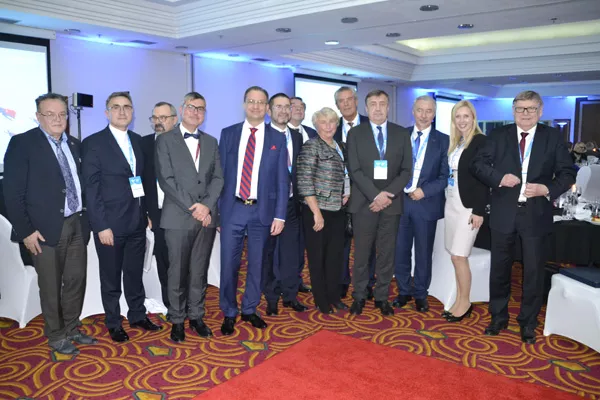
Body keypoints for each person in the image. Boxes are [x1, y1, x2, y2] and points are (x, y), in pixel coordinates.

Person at [471, 90, 575, 343]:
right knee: (499, 269)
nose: (525, 113)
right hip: (503, 211)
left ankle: (528, 322)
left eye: (531, 109)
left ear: (540, 111)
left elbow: (567, 173)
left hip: (535, 213)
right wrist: (499, 178)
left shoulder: (552, 137)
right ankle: (498, 317)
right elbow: (478, 165)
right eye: (520, 108)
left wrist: (546, 189)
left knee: (534, 272)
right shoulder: (498, 135)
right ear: (513, 111)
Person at [3, 93, 95, 355]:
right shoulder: (22, 144)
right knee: (51, 285)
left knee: (76, 280)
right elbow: (12, 193)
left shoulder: (74, 144)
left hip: (76, 223)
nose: (57, 119)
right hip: (42, 230)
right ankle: (56, 335)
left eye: (62, 114)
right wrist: (26, 231)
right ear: (38, 116)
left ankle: (72, 327)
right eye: (50, 114)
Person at [82, 91, 162, 343]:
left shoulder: (137, 141)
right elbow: (91, 189)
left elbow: (142, 180)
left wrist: (146, 212)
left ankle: (137, 315)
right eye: (116, 107)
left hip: (137, 221)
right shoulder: (94, 143)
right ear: (107, 113)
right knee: (111, 277)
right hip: (110, 225)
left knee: (134, 273)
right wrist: (101, 226)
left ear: (133, 112)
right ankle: (114, 322)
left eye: (127, 106)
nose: (122, 111)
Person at [218, 86, 288, 335]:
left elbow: (282, 180)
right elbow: (219, 175)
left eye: (260, 102)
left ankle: (249, 308)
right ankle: (229, 311)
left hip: (262, 211)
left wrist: (280, 214)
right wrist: (218, 212)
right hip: (233, 209)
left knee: (257, 264)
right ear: (244, 104)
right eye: (251, 101)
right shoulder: (228, 134)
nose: (256, 106)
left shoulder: (278, 138)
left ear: (267, 108)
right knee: (229, 264)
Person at [155, 92, 223, 342]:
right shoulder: (165, 140)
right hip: (178, 217)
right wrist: (195, 207)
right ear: (182, 109)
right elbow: (166, 180)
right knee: (177, 272)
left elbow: (218, 178)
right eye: (191, 107)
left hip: (206, 218)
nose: (196, 112)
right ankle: (177, 320)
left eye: (201, 108)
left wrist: (207, 206)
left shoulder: (211, 141)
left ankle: (196, 316)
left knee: (199, 270)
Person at [346, 89, 412, 316]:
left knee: (387, 253)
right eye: (373, 104)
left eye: (382, 103)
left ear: (388, 107)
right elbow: (354, 169)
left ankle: (382, 296)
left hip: (391, 204)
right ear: (366, 108)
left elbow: (406, 170)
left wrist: (386, 195)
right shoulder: (355, 133)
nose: (377, 108)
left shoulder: (401, 133)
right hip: (364, 203)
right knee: (362, 254)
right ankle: (359, 295)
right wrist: (375, 195)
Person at [393, 95, 448, 313]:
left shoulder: (443, 141)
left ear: (434, 114)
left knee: (424, 253)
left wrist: (424, 191)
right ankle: (403, 291)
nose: (424, 115)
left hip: (426, 203)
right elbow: (392, 167)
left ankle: (420, 294)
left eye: (429, 111)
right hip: (400, 202)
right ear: (413, 111)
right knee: (400, 250)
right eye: (420, 110)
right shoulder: (400, 136)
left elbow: (444, 176)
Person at [297, 107, 348, 314]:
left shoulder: (340, 146)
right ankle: (321, 300)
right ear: (316, 125)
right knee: (317, 257)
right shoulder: (311, 146)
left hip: (337, 210)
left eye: (332, 122)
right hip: (316, 210)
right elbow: (304, 181)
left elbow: (345, 174)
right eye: (323, 122)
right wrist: (316, 213)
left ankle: (334, 296)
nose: (328, 126)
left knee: (335, 257)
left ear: (337, 124)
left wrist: (347, 192)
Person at [443, 100, 488, 322]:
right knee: (455, 256)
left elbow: (484, 179)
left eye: (466, 116)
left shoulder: (481, 142)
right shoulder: (457, 142)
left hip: (468, 207)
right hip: (452, 203)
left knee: (459, 256)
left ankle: (465, 302)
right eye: (458, 116)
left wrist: (479, 210)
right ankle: (460, 299)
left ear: (473, 118)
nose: (462, 120)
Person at [263, 93, 308, 315]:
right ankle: (272, 297)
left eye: (287, 107)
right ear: (269, 110)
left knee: (291, 253)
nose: (283, 111)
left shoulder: (296, 137)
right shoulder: (262, 135)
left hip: (292, 204)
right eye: (278, 107)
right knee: (270, 254)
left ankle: (290, 295)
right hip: (269, 205)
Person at [333, 86, 376, 300]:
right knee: (341, 243)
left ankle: (366, 282)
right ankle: (342, 281)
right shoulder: (332, 127)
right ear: (337, 105)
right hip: (339, 195)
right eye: (341, 101)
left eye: (349, 99)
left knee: (367, 242)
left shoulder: (372, 124)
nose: (346, 103)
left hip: (367, 193)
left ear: (356, 101)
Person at [141, 101, 178, 311]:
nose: (158, 122)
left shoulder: (185, 143)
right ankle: (171, 304)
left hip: (182, 213)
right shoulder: (143, 144)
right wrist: (144, 212)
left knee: (184, 260)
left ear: (174, 119)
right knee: (164, 261)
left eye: (163, 118)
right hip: (157, 213)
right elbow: (136, 179)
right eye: (155, 118)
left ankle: (188, 302)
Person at [287, 97, 315, 293]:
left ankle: (297, 280)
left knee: (303, 243)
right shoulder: (280, 133)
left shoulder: (312, 133)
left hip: (310, 199)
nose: (298, 109)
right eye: (293, 106)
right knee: (288, 245)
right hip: (289, 199)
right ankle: (284, 282)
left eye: (301, 107)